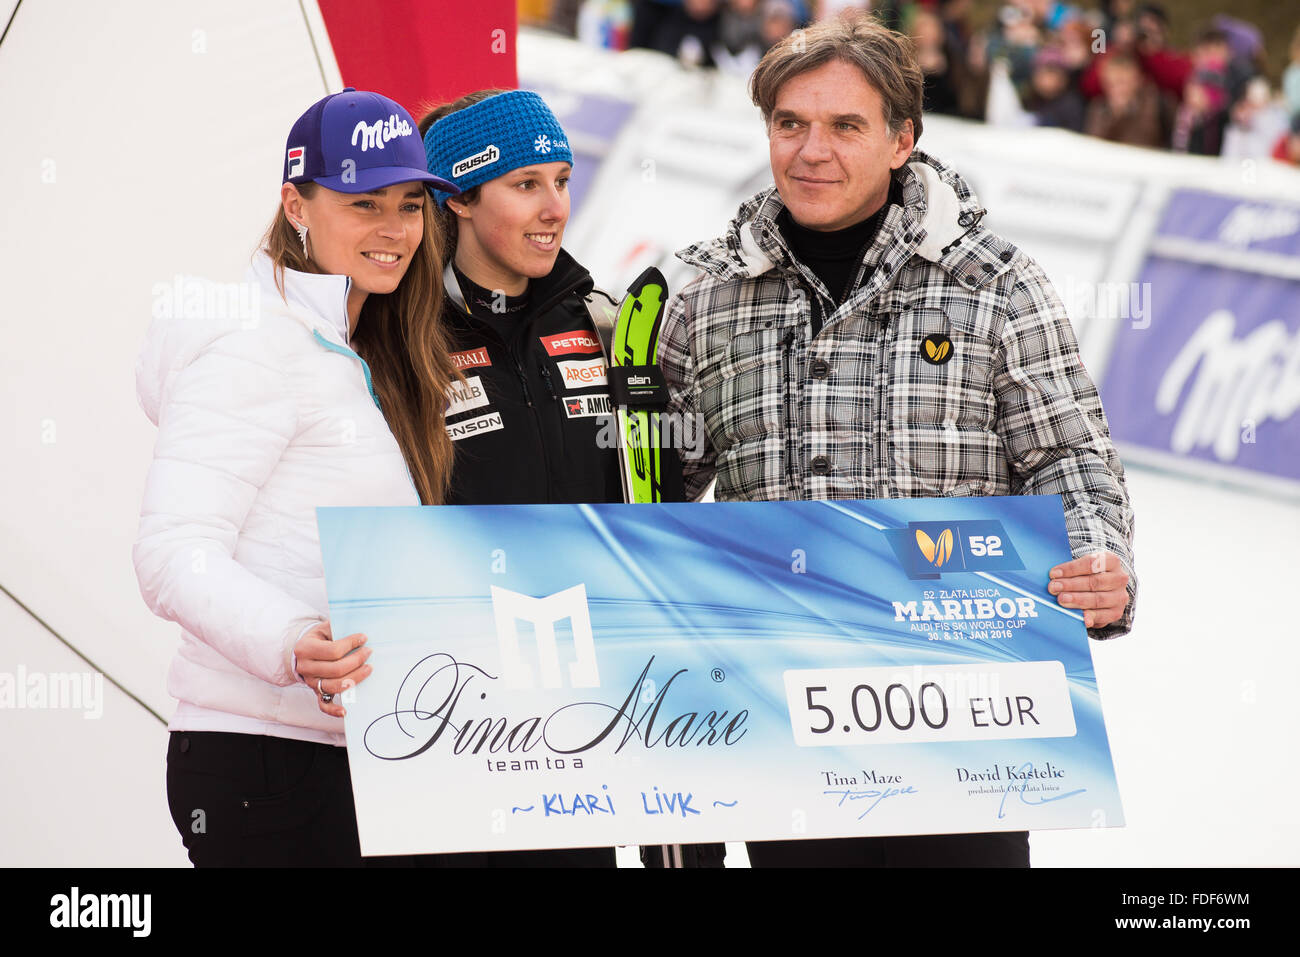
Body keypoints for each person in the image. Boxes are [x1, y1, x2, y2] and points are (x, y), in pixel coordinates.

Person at [657, 13, 1137, 868]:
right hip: (784, 729)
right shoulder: (706, 299)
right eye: (789, 124)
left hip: (965, 733)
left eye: (845, 126)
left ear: (901, 140)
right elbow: (650, 490)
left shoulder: (993, 283)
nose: (811, 151)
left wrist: (1098, 557)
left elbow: (1068, 454)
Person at [133, 89, 461, 867]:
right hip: (266, 761)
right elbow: (173, 551)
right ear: (296, 204)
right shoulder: (253, 341)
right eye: (365, 202)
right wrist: (289, 641)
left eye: (411, 205)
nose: (394, 230)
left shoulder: (347, 348)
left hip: (342, 757)